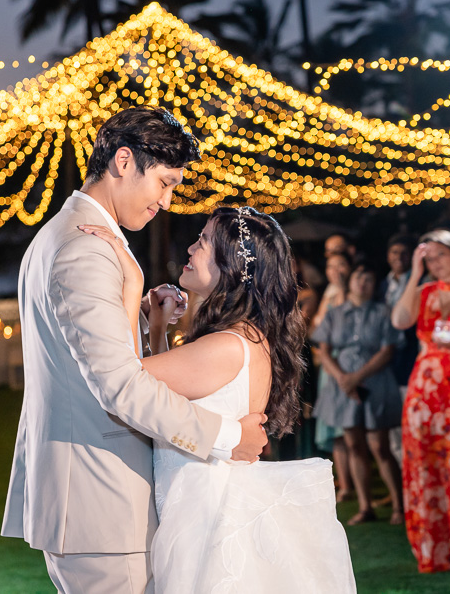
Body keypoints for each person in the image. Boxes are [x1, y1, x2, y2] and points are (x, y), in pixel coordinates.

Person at [0, 106, 267, 593]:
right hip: (101, 497)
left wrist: (143, 309)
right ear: (124, 162)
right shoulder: (86, 248)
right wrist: (228, 437)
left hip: (93, 496)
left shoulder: (73, 236)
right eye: (164, 183)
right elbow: (120, 386)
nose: (167, 201)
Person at [83, 206, 357, 593]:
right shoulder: (246, 336)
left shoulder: (228, 345)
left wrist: (130, 287)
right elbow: (162, 394)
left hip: (206, 517)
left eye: (205, 241)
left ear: (231, 266)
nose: (192, 248)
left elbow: (125, 382)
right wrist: (158, 326)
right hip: (201, 504)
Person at [390, 229, 450, 572]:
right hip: (423, 392)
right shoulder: (424, 291)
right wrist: (415, 273)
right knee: (424, 465)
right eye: (429, 258)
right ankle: (433, 549)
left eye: (440, 255)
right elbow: (399, 321)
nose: (435, 263)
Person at [312, 264, 404, 525]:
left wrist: (356, 377)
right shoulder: (335, 313)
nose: (363, 282)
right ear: (350, 281)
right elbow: (323, 349)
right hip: (342, 383)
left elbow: (388, 350)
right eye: (359, 276)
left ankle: (399, 504)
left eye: (369, 278)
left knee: (379, 445)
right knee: (353, 444)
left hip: (374, 381)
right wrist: (342, 378)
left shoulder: (383, 312)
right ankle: (365, 507)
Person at [311, 251, 356, 500]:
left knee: (347, 426)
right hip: (328, 364)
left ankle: (355, 484)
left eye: (340, 265)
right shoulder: (328, 291)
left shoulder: (352, 292)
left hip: (346, 363)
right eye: (330, 266)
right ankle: (344, 482)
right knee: (333, 427)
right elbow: (317, 326)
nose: (335, 271)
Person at [379, 234, 418, 469]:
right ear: (388, 256)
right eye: (394, 252)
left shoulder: (419, 281)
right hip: (385, 361)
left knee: (410, 422)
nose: (399, 257)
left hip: (409, 357)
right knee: (392, 428)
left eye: (404, 253)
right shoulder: (381, 285)